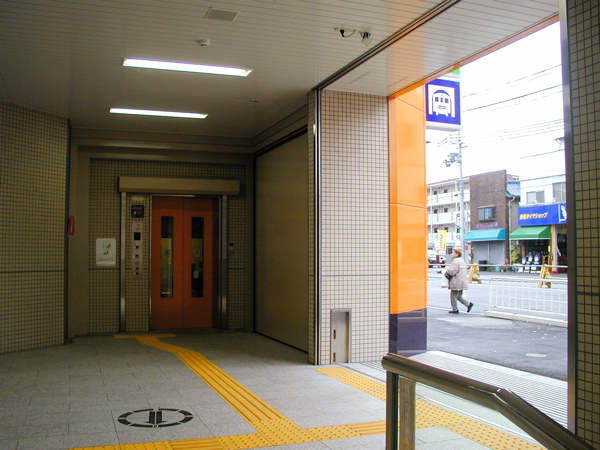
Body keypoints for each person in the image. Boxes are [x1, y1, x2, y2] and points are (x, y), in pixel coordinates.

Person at [444, 247, 474, 314]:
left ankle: (455, 309)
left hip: (456, 281)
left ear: (457, 254)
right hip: (462, 281)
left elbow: (453, 271)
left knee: (453, 296)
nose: (452, 254)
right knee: (459, 296)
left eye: (453, 252)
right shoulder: (461, 260)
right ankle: (468, 304)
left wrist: (447, 271)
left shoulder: (455, 261)